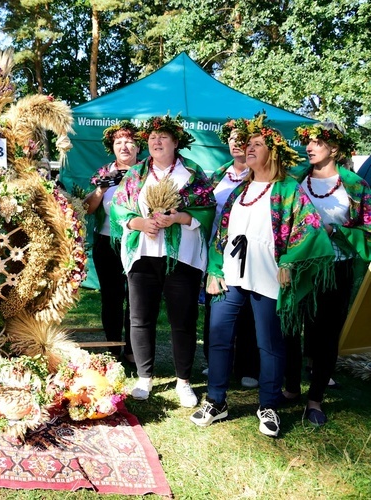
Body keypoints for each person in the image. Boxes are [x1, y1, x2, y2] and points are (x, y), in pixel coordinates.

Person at [190, 114, 335, 437]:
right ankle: (216, 401)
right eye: (248, 144)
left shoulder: (287, 189)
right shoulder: (240, 190)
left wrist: (289, 263)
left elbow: (311, 232)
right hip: (231, 275)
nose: (248, 148)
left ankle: (268, 405)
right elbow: (221, 235)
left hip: (268, 276)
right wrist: (214, 268)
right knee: (218, 335)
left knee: (270, 343)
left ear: (274, 152)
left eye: (256, 145)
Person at [110, 114, 216, 407]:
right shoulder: (136, 174)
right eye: (153, 138)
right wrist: (137, 224)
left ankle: (183, 381)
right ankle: (144, 377)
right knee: (140, 318)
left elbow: (208, 209)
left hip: (181, 257)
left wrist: (180, 218)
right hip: (143, 255)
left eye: (164, 137)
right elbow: (119, 208)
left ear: (176, 142)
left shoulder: (192, 174)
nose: (156, 142)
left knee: (182, 319)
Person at [283, 122, 371, 425]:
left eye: (317, 143)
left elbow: (367, 227)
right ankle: (291, 389)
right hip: (297, 267)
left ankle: (315, 400)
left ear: (334, 149)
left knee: (326, 334)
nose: (309, 147)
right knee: (290, 328)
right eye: (308, 142)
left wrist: (335, 230)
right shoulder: (295, 180)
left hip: (335, 268)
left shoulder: (355, 185)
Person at [202, 120, 260, 388]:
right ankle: (214, 362)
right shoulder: (217, 176)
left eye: (243, 139)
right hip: (218, 251)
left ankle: (248, 365)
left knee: (249, 308)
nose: (237, 143)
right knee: (216, 304)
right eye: (232, 139)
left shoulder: (260, 175)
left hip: (252, 252)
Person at [83, 122, 140, 363]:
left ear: (138, 147)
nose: (124, 146)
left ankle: (133, 348)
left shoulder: (148, 171)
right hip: (107, 242)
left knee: (137, 297)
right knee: (111, 296)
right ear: (112, 148)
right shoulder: (104, 171)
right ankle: (113, 346)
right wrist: (101, 188)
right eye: (118, 143)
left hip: (139, 241)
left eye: (128, 142)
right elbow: (87, 208)